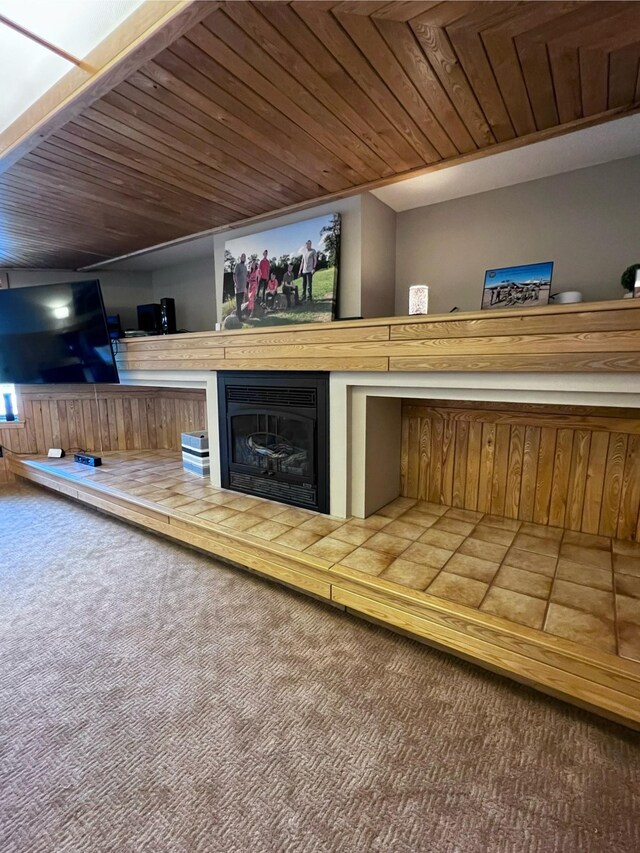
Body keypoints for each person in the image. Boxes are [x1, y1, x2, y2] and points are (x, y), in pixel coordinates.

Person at [233, 253, 247, 321]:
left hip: (243, 288)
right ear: (240, 258)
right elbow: (234, 275)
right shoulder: (237, 265)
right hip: (238, 288)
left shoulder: (245, 267)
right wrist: (236, 283)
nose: (243, 258)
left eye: (245, 257)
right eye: (242, 257)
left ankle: (238, 316)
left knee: (241, 303)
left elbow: (245, 277)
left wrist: (245, 287)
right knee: (238, 304)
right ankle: (239, 318)